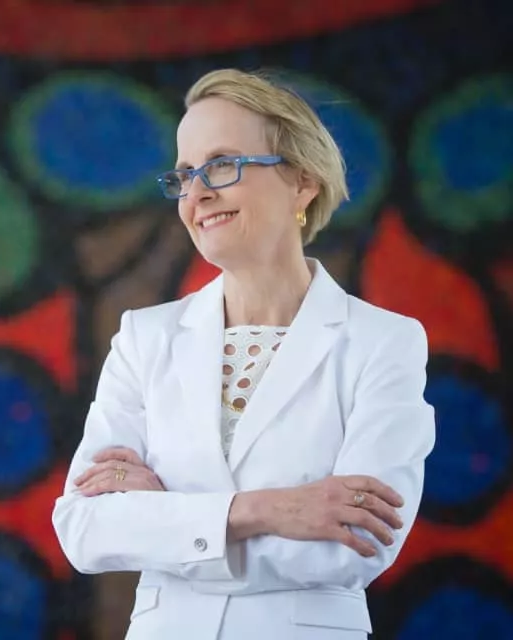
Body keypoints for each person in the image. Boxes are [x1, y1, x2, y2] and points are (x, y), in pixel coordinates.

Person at [51, 69, 436, 639]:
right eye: (184, 175)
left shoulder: (384, 341)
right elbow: (85, 529)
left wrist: (167, 521)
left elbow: (357, 545)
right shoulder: (143, 338)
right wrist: (270, 509)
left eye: (222, 165)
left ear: (302, 182)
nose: (196, 194)